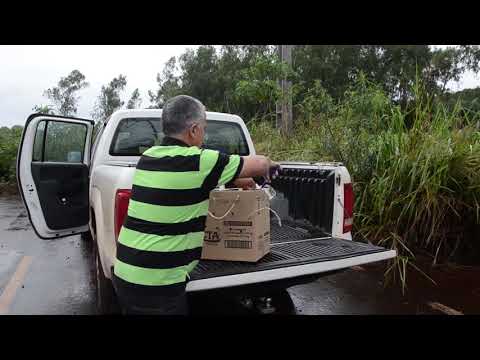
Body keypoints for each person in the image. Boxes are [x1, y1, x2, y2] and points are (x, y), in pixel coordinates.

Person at [112, 95, 280, 315]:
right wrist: (272, 164)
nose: (204, 135)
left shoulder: (149, 158)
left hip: (126, 273)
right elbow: (259, 164)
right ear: (193, 130)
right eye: (204, 128)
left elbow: (187, 182)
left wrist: (233, 179)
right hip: (159, 285)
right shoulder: (199, 161)